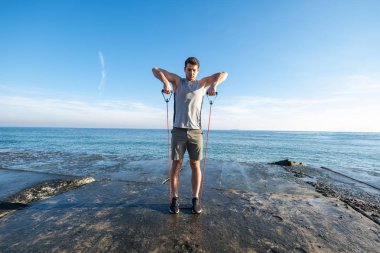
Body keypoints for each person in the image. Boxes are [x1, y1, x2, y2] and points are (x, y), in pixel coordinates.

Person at [152, 57, 228, 214]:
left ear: (198, 71)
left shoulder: (202, 84)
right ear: (184, 69)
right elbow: (155, 69)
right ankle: (174, 199)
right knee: (177, 165)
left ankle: (195, 199)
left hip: (196, 131)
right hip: (178, 130)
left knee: (195, 165)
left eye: (194, 70)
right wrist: (166, 82)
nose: (191, 72)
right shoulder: (178, 82)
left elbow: (224, 73)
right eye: (189, 69)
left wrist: (214, 84)